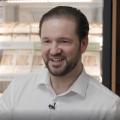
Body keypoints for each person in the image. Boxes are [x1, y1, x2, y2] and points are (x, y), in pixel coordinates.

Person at [0, 6, 120, 120]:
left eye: (64, 41)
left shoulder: (109, 107)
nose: (54, 51)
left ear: (83, 44)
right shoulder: (17, 89)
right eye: (47, 41)